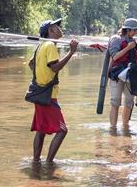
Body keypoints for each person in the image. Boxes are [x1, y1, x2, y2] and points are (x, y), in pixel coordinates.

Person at [30, 17, 78, 164]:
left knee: (41, 130)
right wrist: (71, 52)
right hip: (48, 96)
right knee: (62, 130)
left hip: (40, 93)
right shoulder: (50, 45)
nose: (60, 28)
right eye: (57, 26)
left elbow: (31, 64)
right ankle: (49, 163)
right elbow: (55, 67)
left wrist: (42, 77)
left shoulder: (41, 46)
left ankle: (36, 162)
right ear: (51, 30)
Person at [106, 17, 137, 131]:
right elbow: (115, 56)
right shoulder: (116, 39)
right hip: (116, 74)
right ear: (128, 29)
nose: (136, 32)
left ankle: (125, 127)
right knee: (115, 102)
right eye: (134, 30)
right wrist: (128, 48)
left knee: (129, 102)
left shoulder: (132, 41)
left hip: (130, 74)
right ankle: (113, 128)